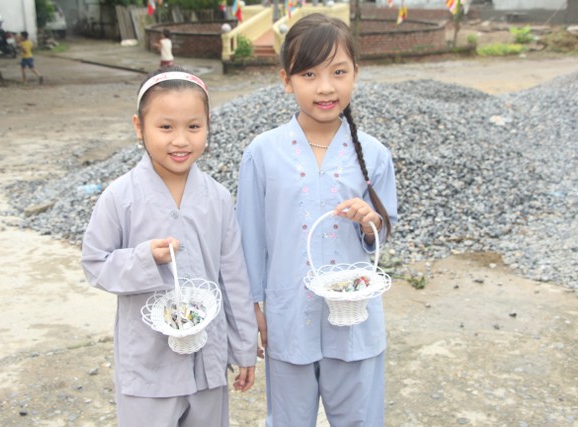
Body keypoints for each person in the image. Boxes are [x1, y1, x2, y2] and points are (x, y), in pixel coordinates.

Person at [235, 13, 398, 427]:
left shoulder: (374, 154)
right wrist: (253, 307)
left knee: (361, 420)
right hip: (289, 315)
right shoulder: (263, 153)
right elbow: (249, 237)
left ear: (355, 74)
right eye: (309, 74)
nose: (325, 87)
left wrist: (369, 222)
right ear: (286, 80)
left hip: (354, 319)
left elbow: (381, 233)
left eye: (338, 72)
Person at [81, 67, 257, 427]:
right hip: (148, 366)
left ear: (208, 126)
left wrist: (244, 347)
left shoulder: (218, 198)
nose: (180, 140)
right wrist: (145, 258)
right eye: (165, 127)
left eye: (193, 126)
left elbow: (234, 278)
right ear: (139, 127)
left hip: (206, 361)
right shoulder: (120, 197)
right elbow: (95, 263)